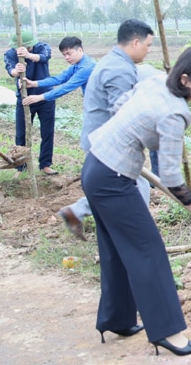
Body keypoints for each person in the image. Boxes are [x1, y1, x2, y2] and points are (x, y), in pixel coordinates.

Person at [82, 45, 191, 356]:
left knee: (118, 248)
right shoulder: (176, 113)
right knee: (149, 251)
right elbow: (171, 178)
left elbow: (120, 104)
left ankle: (116, 319)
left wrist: (129, 137)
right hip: (112, 180)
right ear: (185, 79)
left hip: (95, 165)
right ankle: (170, 333)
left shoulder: (155, 82)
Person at [56, 19, 154, 241]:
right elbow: (123, 115)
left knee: (125, 186)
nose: (149, 51)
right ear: (136, 42)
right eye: (148, 46)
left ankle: (78, 213)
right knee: (135, 185)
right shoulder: (119, 70)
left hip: (98, 137)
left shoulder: (113, 62)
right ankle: (140, 229)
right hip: (105, 143)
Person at [3, 30, 56, 174]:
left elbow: (44, 57)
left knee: (47, 132)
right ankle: (21, 166)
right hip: (25, 99)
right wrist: (17, 71)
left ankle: (45, 164)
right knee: (22, 133)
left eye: (28, 48)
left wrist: (28, 56)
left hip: (45, 97)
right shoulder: (11, 54)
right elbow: (10, 70)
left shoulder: (42, 47)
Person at [21, 36, 97, 128]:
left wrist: (40, 97)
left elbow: (66, 87)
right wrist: (34, 83)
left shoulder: (87, 67)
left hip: (102, 107)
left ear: (80, 50)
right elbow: (59, 79)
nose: (67, 57)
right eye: (64, 55)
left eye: (69, 53)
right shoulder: (78, 65)